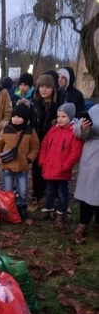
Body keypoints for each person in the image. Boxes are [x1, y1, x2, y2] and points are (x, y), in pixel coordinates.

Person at [0, 100, 40, 220]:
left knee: (22, 189)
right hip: (7, 166)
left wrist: (29, 159)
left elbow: (35, 146)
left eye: (19, 117)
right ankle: (9, 206)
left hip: (22, 167)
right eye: (14, 116)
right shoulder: (6, 129)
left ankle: (22, 206)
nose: (16, 119)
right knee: (7, 189)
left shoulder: (30, 131)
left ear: (25, 118)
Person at [38, 103, 83, 229]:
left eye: (63, 116)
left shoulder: (74, 132)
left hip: (62, 170)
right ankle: (49, 208)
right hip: (50, 167)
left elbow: (75, 152)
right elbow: (44, 145)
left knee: (62, 193)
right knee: (50, 191)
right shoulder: (53, 130)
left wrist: (66, 166)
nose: (60, 119)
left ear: (70, 116)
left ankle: (61, 214)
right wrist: (43, 160)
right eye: (58, 116)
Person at [29, 73, 59, 211]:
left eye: (47, 87)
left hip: (52, 142)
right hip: (36, 140)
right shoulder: (34, 103)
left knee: (50, 168)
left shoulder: (56, 105)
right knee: (36, 168)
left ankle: (52, 196)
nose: (43, 90)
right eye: (41, 86)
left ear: (52, 89)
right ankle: (37, 195)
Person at [73, 105, 99, 243]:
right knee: (89, 193)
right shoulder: (94, 110)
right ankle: (83, 223)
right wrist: (83, 127)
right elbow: (77, 131)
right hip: (93, 154)